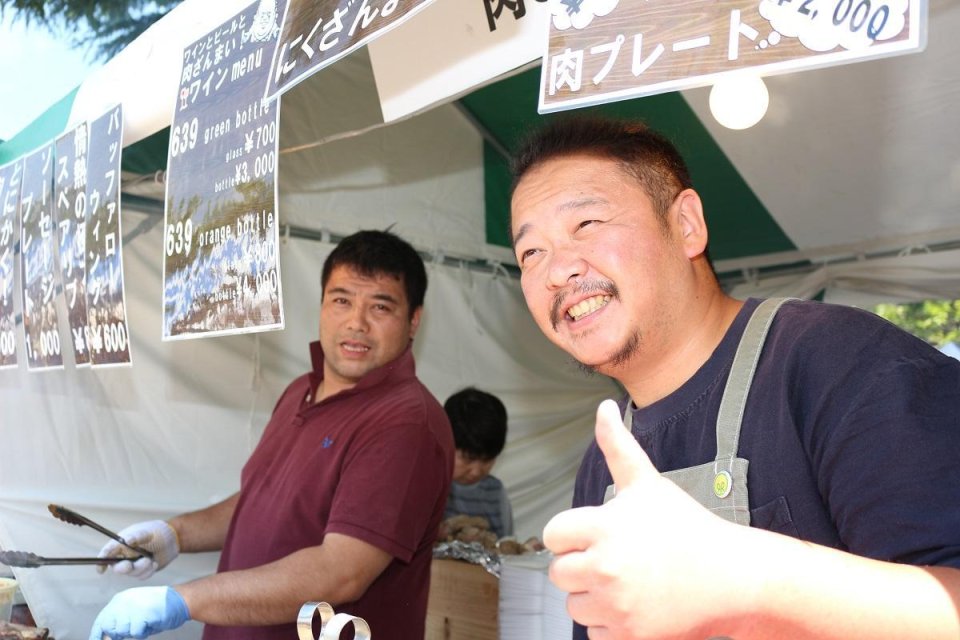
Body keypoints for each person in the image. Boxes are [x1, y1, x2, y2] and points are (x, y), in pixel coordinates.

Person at [509, 116, 960, 639]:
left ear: (686, 225)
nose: (556, 270)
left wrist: (746, 585)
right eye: (530, 253)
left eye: (585, 224)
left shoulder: (841, 361)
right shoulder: (605, 463)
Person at [90, 230, 455, 640]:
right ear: (321, 305)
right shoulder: (302, 389)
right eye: (342, 300)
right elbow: (262, 501)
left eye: (381, 307)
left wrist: (182, 600)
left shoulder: (405, 422)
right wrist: (176, 534)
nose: (357, 322)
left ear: (413, 321)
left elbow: (341, 573)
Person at [443, 387, 514, 538]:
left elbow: (505, 542)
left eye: (487, 460)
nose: (476, 471)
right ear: (444, 442)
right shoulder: (427, 484)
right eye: (468, 459)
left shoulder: (495, 491)